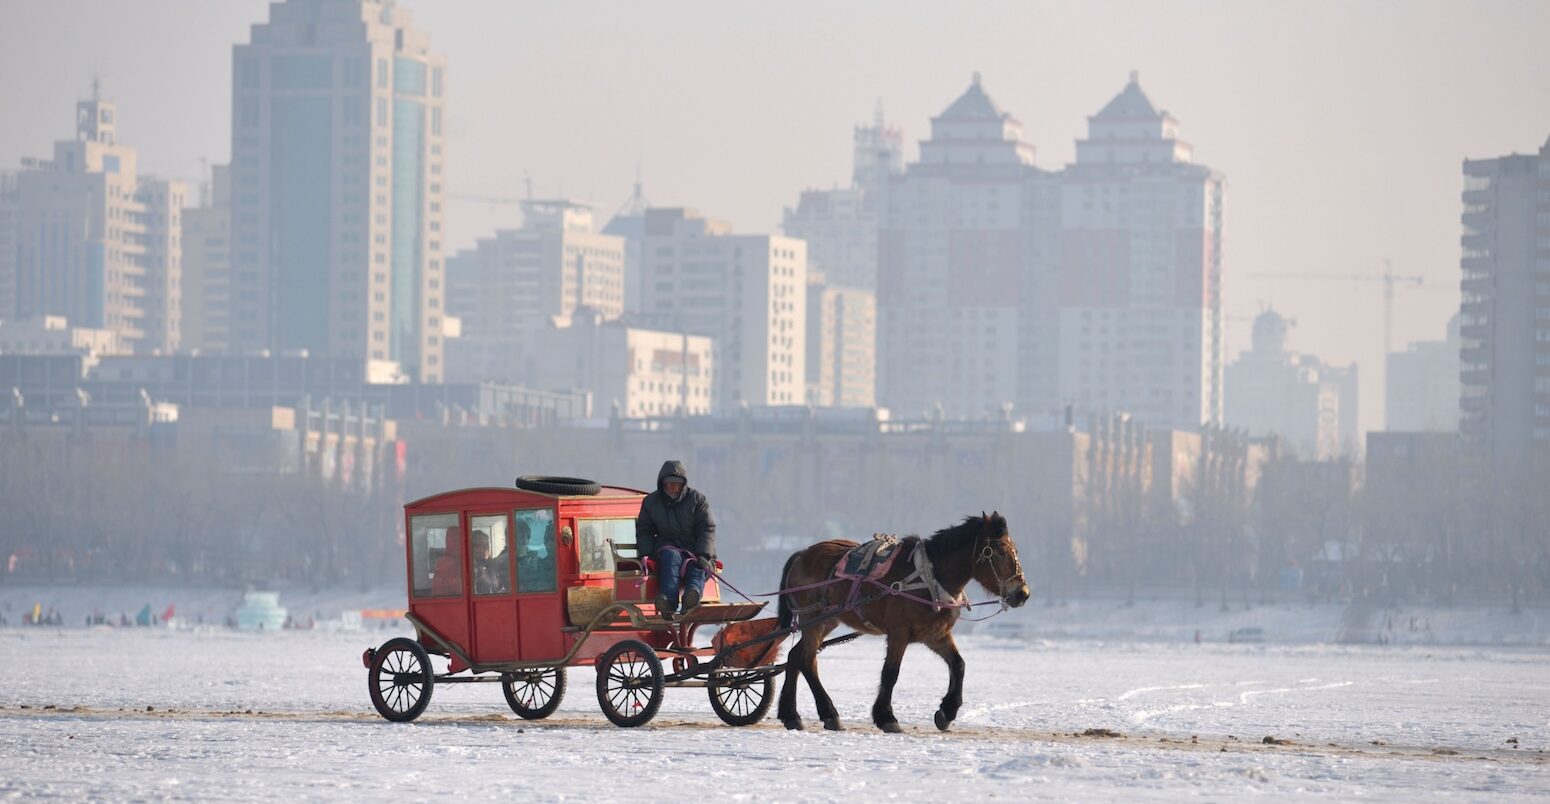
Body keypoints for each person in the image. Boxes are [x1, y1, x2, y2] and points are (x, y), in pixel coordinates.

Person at [635, 460, 716, 617]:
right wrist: (646, 554)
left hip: (695, 548)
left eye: (677, 483)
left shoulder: (697, 500)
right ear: (663, 484)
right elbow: (644, 530)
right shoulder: (651, 502)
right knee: (670, 557)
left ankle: (691, 597)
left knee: (697, 565)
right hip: (667, 546)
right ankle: (668, 601)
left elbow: (706, 529)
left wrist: (704, 554)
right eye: (670, 483)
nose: (674, 487)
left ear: (683, 484)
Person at [470, 530, 506, 594]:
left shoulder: (494, 566)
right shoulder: (467, 569)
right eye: (478, 546)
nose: (484, 549)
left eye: (486, 545)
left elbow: (502, 588)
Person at [431, 526, 464, 595]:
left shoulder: (456, 560)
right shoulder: (447, 562)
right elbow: (461, 589)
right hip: (447, 603)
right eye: (455, 540)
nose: (458, 544)